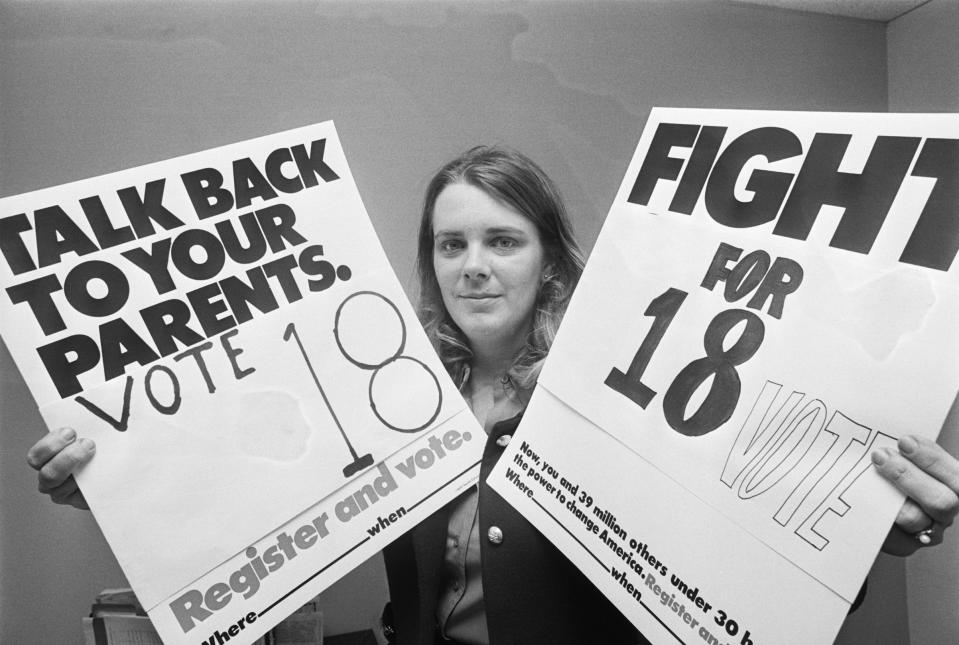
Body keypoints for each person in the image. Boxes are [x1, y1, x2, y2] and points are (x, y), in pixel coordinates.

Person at [27, 146, 959, 645]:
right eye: (449, 243)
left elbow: (738, 547)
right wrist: (120, 484)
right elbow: (233, 506)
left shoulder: (618, 384)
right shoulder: (385, 391)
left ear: (550, 254)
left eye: (501, 240)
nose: (472, 266)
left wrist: (866, 525)